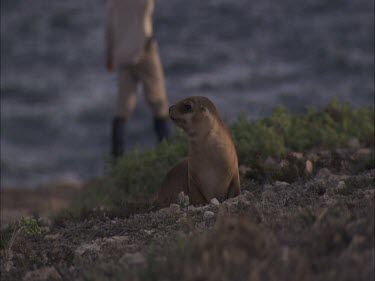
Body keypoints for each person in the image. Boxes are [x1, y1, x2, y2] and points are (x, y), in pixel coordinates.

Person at [106, 0, 171, 157]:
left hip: (122, 55)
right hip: (144, 52)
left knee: (123, 107)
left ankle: (117, 158)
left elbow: (109, 28)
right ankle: (167, 150)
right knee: (159, 102)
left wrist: (109, 55)